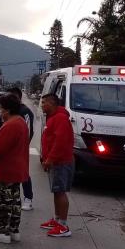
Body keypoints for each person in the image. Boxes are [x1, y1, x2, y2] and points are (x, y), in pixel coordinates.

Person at [0, 93, 29, 244]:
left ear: (8, 110)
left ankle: (2, 231)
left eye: (1, 109)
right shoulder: (21, 122)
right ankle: (13, 230)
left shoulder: (10, 125)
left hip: (6, 170)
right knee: (15, 201)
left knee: (3, 202)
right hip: (16, 169)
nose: (0, 112)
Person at [0, 86, 35, 210]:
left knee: (23, 173)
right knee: (6, 182)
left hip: (18, 149)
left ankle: (28, 198)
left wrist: (21, 146)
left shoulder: (24, 112)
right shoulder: (9, 114)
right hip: (9, 150)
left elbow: (28, 131)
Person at [40, 93, 75, 238]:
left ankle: (64, 226)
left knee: (61, 192)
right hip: (55, 162)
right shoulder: (53, 117)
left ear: (52, 104)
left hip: (61, 162)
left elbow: (60, 143)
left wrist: (50, 159)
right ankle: (57, 219)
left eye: (44, 103)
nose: (42, 105)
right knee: (56, 191)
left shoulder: (60, 118)